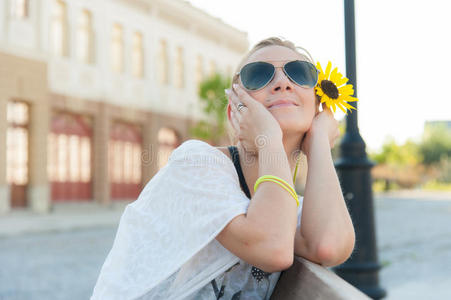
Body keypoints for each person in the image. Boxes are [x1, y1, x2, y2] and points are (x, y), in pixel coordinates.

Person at [91, 37, 355, 300]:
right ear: (234, 112)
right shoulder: (196, 164)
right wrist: (268, 140)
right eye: (258, 75)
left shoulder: (287, 206)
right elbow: (272, 248)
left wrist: (319, 143)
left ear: (318, 106)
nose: (282, 83)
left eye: (299, 73)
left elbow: (327, 246)